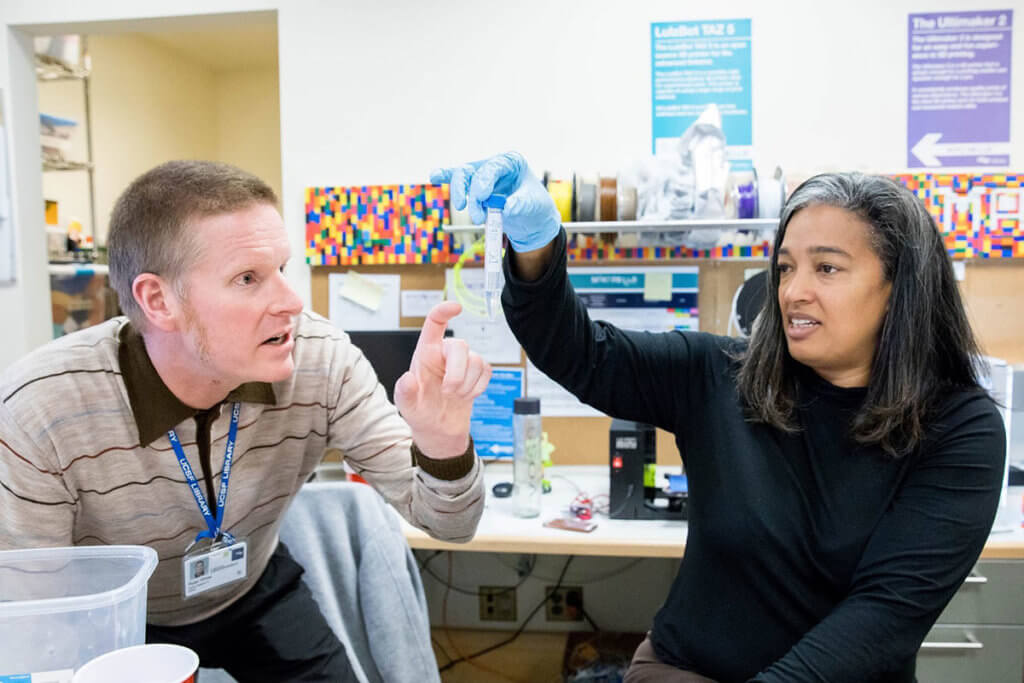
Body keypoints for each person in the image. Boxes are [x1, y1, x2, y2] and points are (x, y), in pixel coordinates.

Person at [430, 153, 1006, 683]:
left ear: (899, 287)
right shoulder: (722, 375)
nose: (793, 291)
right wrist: (536, 247)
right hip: (685, 669)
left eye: (827, 269)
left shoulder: (958, 427)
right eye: (784, 268)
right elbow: (580, 352)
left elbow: (882, 615)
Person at [1, 160, 491, 682]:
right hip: (118, 620)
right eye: (248, 278)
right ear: (157, 300)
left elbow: (451, 524)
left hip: (250, 587)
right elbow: (37, 626)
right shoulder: (41, 410)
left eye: (282, 269)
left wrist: (443, 441)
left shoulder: (320, 360)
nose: (292, 302)